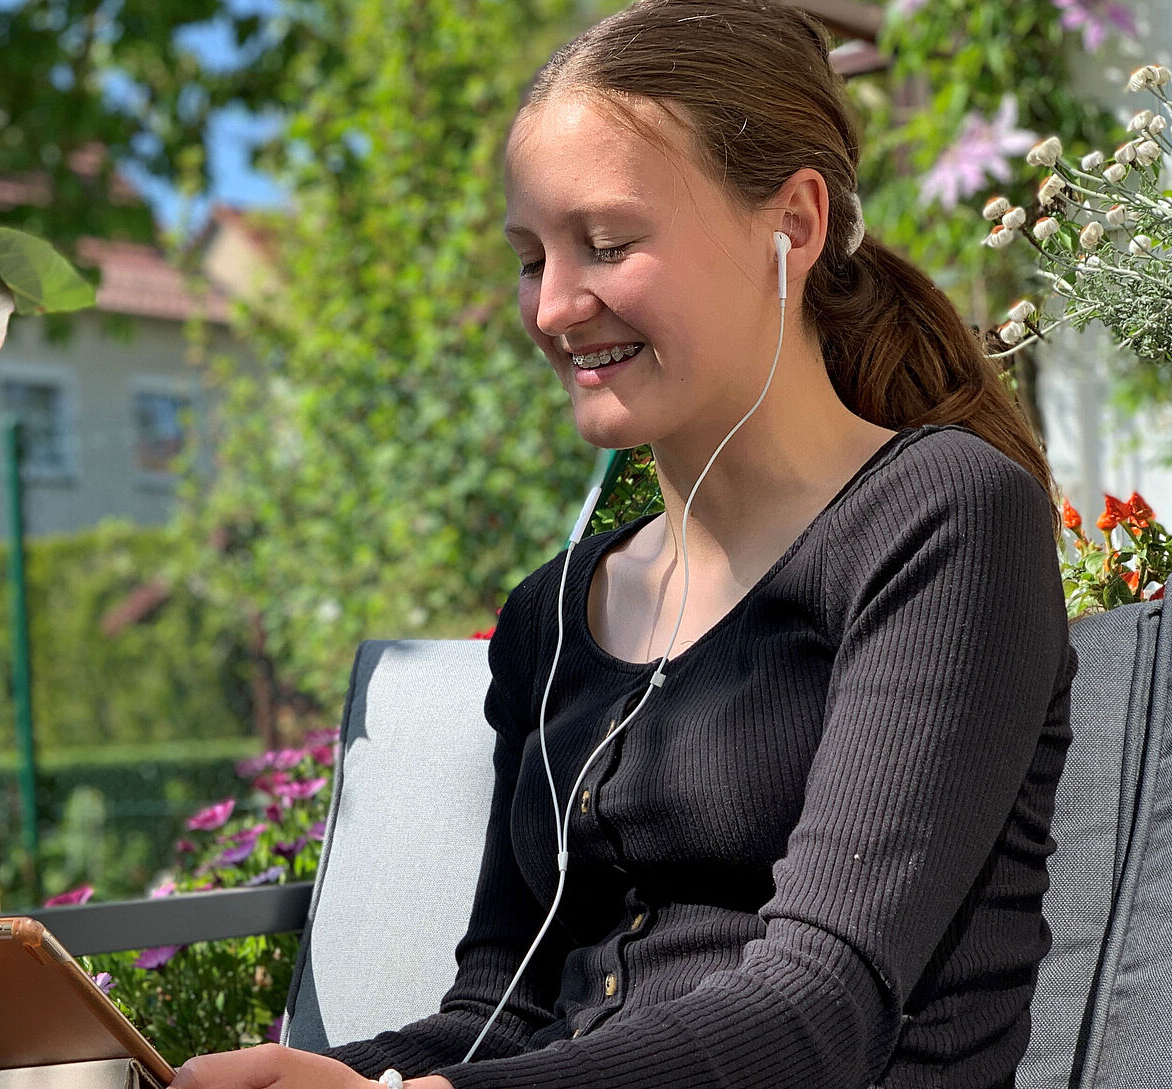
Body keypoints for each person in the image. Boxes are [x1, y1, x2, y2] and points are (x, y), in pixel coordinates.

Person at [170, 1, 1076, 1086]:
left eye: (607, 244)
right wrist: (318, 1076)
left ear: (793, 221)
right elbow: (499, 1014)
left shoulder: (941, 520)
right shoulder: (551, 615)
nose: (553, 307)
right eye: (529, 257)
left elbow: (818, 1009)